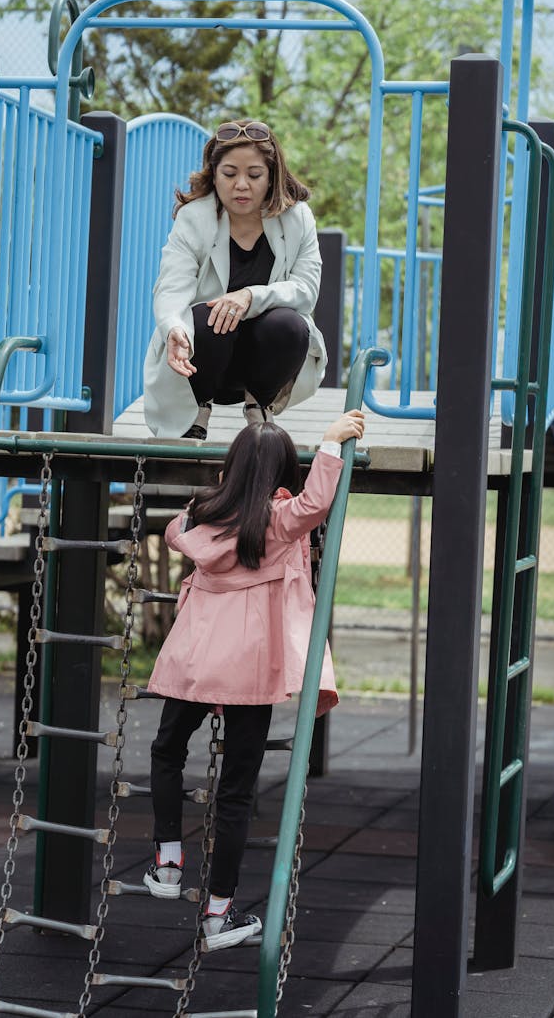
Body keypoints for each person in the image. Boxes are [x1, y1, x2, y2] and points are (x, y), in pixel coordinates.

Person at [142, 409, 365, 949]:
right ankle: (219, 914)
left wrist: (216, 494)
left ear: (232, 469)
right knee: (236, 794)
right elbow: (314, 503)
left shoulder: (199, 516)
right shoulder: (279, 520)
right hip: (249, 670)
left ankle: (168, 860)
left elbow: (175, 531)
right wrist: (330, 443)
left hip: (195, 662)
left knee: (167, 750)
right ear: (283, 472)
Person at [142, 119, 328, 439]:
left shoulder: (297, 218)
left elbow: (306, 291)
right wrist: (173, 326)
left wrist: (249, 297)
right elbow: (172, 286)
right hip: (202, 363)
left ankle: (259, 407)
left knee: (291, 324)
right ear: (214, 175)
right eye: (229, 174)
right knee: (208, 316)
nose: (241, 184)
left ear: (271, 177)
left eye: (254, 175)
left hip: (263, 362)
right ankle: (198, 411)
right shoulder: (194, 218)